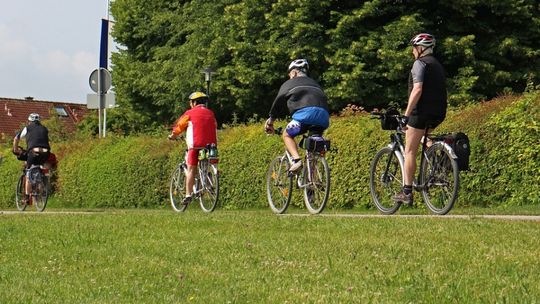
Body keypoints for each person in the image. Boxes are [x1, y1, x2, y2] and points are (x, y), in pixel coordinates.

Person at [393, 33, 448, 204]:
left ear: (421, 48)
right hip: (439, 112)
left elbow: (417, 90)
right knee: (424, 137)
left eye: (414, 48)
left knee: (410, 151)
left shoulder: (420, 63)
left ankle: (407, 192)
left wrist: (406, 115)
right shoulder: (438, 65)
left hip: (420, 112)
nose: (412, 51)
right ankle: (437, 161)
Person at [264, 59, 330, 172]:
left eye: (290, 74)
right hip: (323, 117)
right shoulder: (315, 83)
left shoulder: (289, 83)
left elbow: (278, 102)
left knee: (287, 135)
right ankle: (312, 181)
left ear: (294, 72)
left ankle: (296, 160)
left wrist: (270, 121)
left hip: (304, 116)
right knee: (313, 147)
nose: (290, 76)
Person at [168, 92, 218, 205]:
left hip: (195, 145)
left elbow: (179, 126)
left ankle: (188, 194)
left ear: (194, 102)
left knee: (191, 169)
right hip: (211, 145)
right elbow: (215, 125)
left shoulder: (189, 113)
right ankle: (209, 180)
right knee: (208, 163)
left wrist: (173, 135)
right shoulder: (210, 113)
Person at [12, 113, 51, 203]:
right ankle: (41, 186)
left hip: (33, 152)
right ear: (39, 121)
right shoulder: (44, 128)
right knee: (40, 168)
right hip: (46, 153)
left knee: (28, 172)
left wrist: (15, 149)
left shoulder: (27, 128)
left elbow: (16, 138)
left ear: (29, 121)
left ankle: (26, 197)